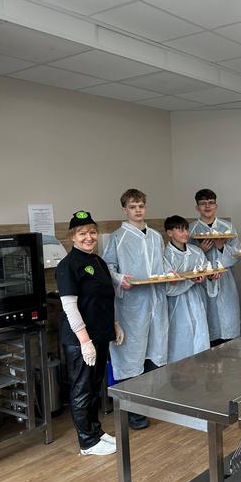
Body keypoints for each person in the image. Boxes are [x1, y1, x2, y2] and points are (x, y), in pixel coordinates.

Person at [56, 211, 122, 455]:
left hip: (100, 334)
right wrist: (84, 341)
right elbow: (70, 307)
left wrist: (114, 324)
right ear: (72, 237)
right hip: (80, 339)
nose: (89, 237)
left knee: (94, 387)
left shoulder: (98, 262)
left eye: (92, 232)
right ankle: (87, 442)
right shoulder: (67, 266)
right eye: (82, 233)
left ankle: (96, 431)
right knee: (82, 390)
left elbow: (104, 298)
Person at [104, 189, 169, 430]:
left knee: (155, 353)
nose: (138, 210)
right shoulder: (118, 237)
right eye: (132, 207)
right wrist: (120, 279)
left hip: (155, 303)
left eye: (141, 205)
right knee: (131, 358)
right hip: (131, 307)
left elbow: (162, 264)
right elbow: (107, 266)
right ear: (125, 210)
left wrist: (170, 274)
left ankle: (148, 406)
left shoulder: (155, 236)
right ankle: (133, 413)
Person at [190, 189, 241, 346]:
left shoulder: (227, 227)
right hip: (202, 283)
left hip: (225, 281)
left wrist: (221, 247)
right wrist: (200, 251)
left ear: (216, 205)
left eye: (211, 203)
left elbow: (237, 254)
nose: (207, 206)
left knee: (228, 325)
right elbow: (185, 259)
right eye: (203, 203)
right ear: (197, 207)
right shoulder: (191, 229)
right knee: (208, 324)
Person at [164, 215, 217, 362]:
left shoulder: (196, 251)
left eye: (186, 230)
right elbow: (167, 287)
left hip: (197, 299)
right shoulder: (165, 255)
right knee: (181, 337)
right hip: (177, 305)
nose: (185, 233)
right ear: (169, 233)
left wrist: (211, 276)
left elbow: (206, 269)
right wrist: (190, 281)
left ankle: (201, 366)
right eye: (180, 230)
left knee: (200, 334)